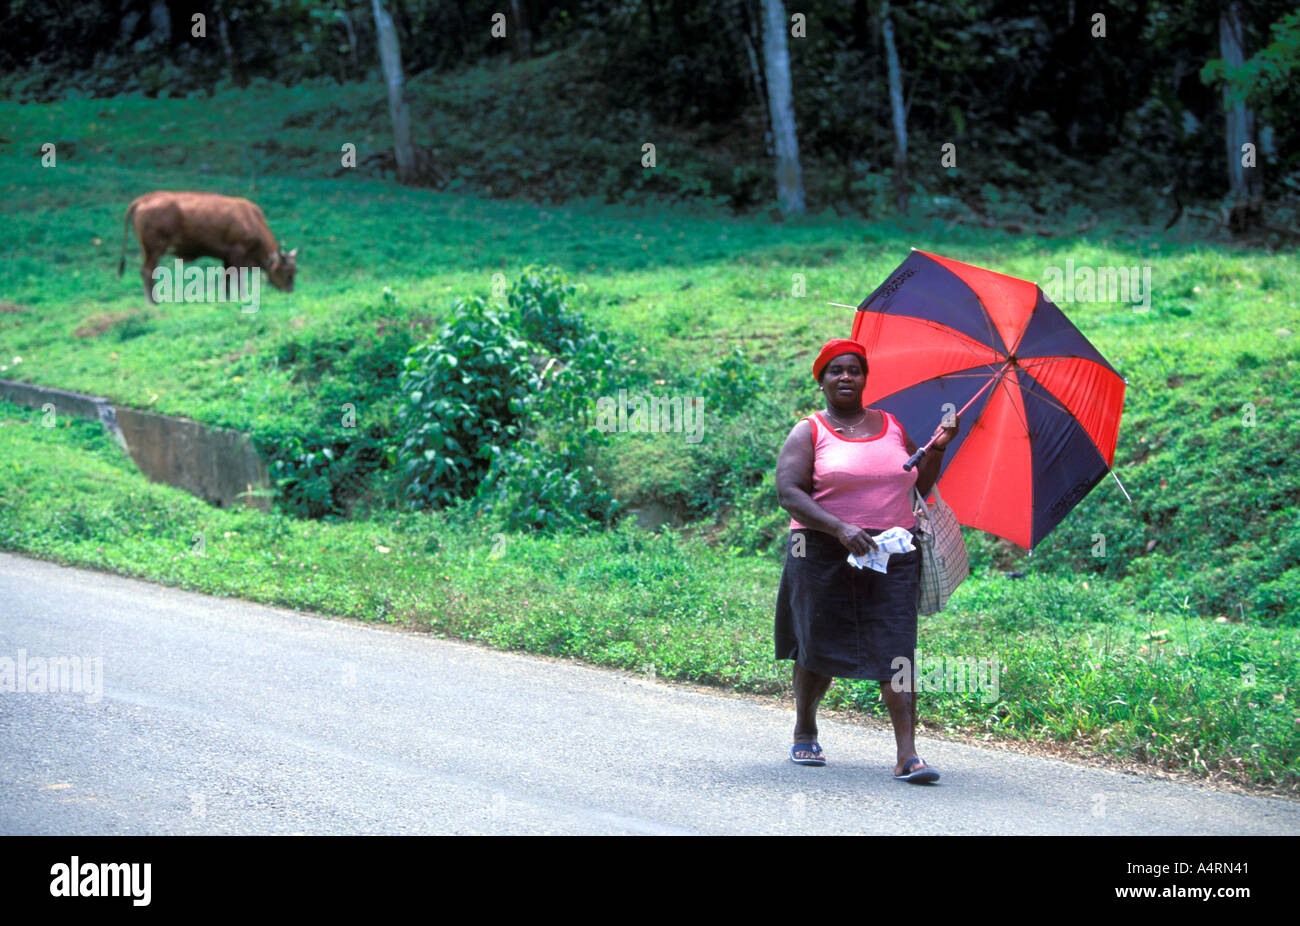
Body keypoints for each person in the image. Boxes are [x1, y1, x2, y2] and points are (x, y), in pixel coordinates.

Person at [774, 338, 958, 783]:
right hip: (821, 553)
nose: (845, 377)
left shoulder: (892, 425)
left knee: (897, 647)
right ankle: (805, 729)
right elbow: (789, 493)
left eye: (854, 370)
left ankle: (907, 754)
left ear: (864, 379)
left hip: (891, 555)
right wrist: (840, 528)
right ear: (821, 380)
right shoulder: (809, 431)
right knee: (816, 643)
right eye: (835, 370)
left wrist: (938, 447)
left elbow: (919, 485)